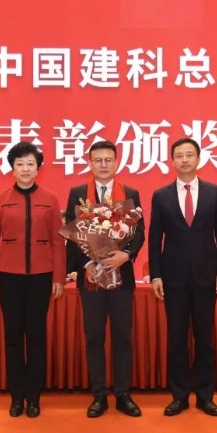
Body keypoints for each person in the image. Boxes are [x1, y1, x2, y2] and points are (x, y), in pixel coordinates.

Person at [148, 138, 217, 417]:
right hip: (173, 278)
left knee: (205, 339)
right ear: (172, 161)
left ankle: (205, 396)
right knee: (176, 339)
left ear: (198, 159)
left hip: (207, 277)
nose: (184, 160)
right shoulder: (161, 195)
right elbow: (155, 239)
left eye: (189, 155)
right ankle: (180, 396)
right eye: (179, 156)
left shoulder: (214, 192)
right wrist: (156, 275)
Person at [0, 141, 65, 418]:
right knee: (13, 337)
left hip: (41, 277)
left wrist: (59, 277)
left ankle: (34, 397)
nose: (25, 169)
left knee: (37, 336)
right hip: (9, 276)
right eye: (20, 164)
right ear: (12, 167)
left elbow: (57, 241)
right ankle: (16, 396)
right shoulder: (1, 198)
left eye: (31, 163)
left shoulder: (50, 198)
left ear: (38, 168)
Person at [65, 140, 145, 418]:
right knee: (94, 337)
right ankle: (99, 395)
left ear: (116, 162)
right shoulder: (78, 193)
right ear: (90, 163)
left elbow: (139, 233)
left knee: (122, 337)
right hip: (91, 278)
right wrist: (87, 263)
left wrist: (127, 255)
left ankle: (123, 394)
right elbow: (72, 234)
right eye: (97, 160)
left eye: (108, 160)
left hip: (121, 277)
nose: (103, 165)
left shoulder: (130, 193)